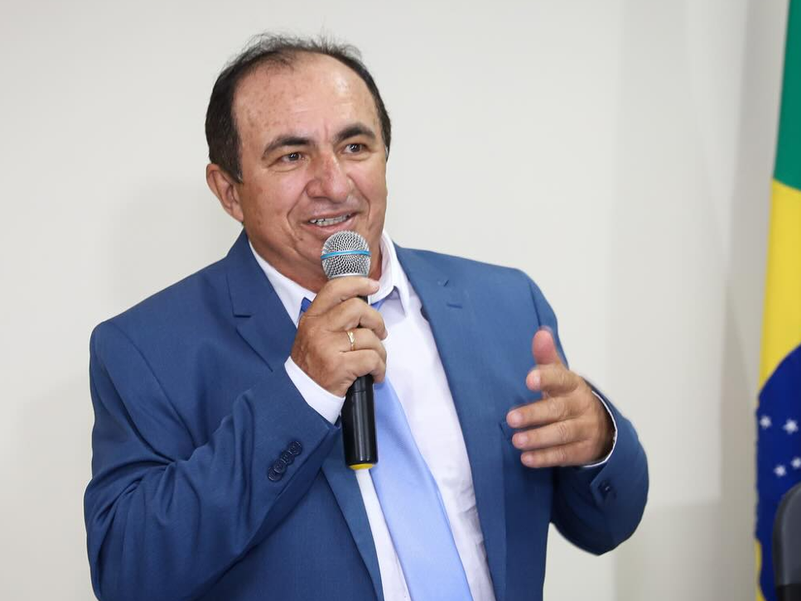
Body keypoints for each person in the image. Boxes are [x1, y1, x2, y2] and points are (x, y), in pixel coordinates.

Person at [84, 34, 648, 601]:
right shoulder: (145, 350)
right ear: (229, 191)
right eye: (291, 156)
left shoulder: (504, 304)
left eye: (354, 146)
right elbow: (129, 574)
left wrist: (598, 439)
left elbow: (605, 525)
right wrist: (301, 394)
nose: (334, 185)